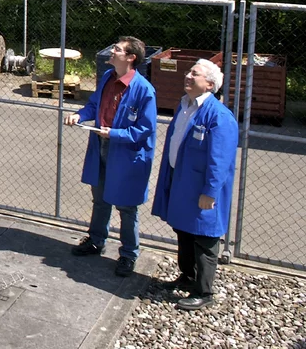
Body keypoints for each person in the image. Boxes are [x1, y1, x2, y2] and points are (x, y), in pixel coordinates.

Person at [64, 36, 157, 277]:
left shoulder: (144, 90)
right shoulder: (107, 78)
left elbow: (144, 129)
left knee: (126, 208)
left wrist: (114, 134)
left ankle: (128, 255)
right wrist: (79, 115)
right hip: (101, 148)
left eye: (117, 49)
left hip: (125, 155)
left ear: (130, 58)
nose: (111, 52)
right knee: (100, 199)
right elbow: (94, 106)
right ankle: (96, 241)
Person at [151, 58, 238, 311]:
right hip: (182, 182)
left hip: (201, 189)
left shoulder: (219, 117)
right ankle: (187, 277)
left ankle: (204, 291)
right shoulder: (184, 106)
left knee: (205, 237)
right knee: (184, 232)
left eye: (195, 74)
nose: (188, 75)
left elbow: (220, 160)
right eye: (189, 72)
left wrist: (209, 192)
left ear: (209, 85)